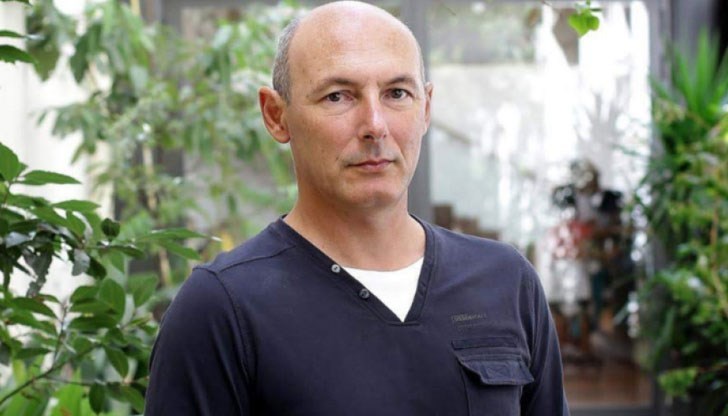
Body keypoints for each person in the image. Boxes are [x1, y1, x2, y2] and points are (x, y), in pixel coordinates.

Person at [145, 2, 569, 415]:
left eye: (397, 93)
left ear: (426, 107)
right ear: (276, 116)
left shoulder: (505, 282)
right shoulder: (223, 309)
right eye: (337, 97)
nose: (375, 125)